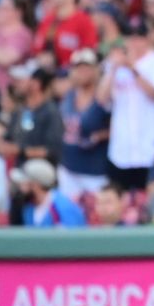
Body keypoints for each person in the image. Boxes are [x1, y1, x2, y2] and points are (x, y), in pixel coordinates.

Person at [97, 19, 154, 190]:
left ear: (147, 39)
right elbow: (101, 100)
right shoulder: (114, 63)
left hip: (151, 148)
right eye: (130, 37)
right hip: (121, 149)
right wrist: (113, 69)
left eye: (139, 37)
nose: (134, 42)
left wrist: (132, 68)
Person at [57, 48, 110, 201]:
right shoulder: (69, 95)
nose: (82, 73)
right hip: (69, 167)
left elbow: (119, 127)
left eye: (87, 68)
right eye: (78, 68)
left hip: (94, 170)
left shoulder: (104, 96)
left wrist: (100, 135)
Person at [31, 0, 98, 69]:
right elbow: (37, 48)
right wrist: (41, 56)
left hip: (73, 72)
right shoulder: (48, 19)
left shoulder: (84, 21)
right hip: (47, 72)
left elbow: (89, 53)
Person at [4, 66, 63, 164]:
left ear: (36, 84)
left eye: (20, 81)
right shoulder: (21, 109)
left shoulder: (51, 112)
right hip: (18, 166)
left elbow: (52, 150)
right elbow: (8, 138)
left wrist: (21, 151)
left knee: (35, 169)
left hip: (40, 169)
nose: (16, 84)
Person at [9, 158, 86, 227]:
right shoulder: (27, 207)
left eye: (23, 183)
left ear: (35, 185)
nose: (20, 187)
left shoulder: (64, 209)